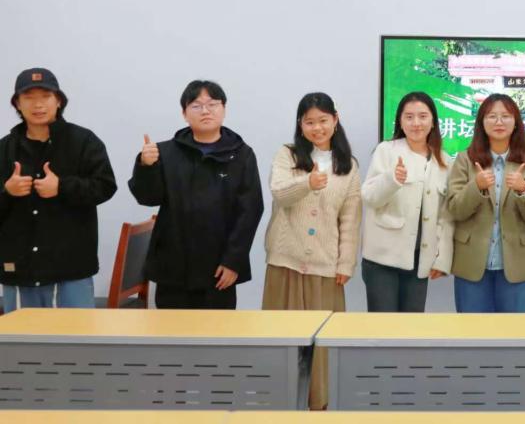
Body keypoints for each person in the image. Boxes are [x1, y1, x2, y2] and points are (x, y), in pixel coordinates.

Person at [263, 92, 361, 410]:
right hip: (285, 263)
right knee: (283, 338)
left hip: (325, 266)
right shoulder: (288, 155)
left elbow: (350, 220)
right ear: (300, 125)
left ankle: (319, 405)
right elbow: (279, 193)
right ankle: (279, 403)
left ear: (335, 120)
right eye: (309, 122)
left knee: (323, 344)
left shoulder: (349, 166)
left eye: (323, 120)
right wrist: (308, 182)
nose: (317, 128)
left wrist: (345, 263)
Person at [129, 80, 264, 309]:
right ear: (184, 113)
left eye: (212, 104)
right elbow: (148, 198)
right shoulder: (166, 152)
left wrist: (233, 261)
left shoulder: (242, 154)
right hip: (173, 264)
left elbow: (250, 211)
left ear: (224, 109)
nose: (205, 111)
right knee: (171, 329)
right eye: (196, 106)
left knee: (218, 329)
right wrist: (146, 166)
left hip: (219, 268)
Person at [1, 68, 116, 312]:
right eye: (29, 97)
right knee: (20, 337)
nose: (38, 104)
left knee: (76, 336)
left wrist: (62, 187)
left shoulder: (84, 141)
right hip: (19, 270)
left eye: (45, 96)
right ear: (17, 104)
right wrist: (7, 191)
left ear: (59, 101)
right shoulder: (5, 148)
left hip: (71, 270)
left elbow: (105, 186)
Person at [447, 93, 525, 312]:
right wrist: (476, 187)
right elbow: (455, 209)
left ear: (516, 122)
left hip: (518, 265)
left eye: (506, 116)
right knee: (473, 330)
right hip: (472, 264)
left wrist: (524, 189)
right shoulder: (465, 160)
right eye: (492, 116)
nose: (499, 122)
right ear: (481, 123)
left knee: (516, 332)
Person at [361, 91, 453, 312]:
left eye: (423, 116)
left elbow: (446, 217)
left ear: (433, 121)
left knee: (411, 327)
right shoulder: (386, 150)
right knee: (383, 327)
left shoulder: (444, 160)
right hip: (382, 259)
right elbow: (369, 197)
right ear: (400, 122)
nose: (416, 123)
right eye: (409, 117)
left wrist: (442, 259)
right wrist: (392, 180)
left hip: (420, 261)